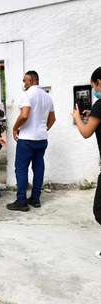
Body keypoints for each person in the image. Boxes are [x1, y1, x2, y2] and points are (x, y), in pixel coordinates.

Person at [7, 71, 56, 212]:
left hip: (27, 139)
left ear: (33, 80)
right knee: (38, 168)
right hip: (41, 140)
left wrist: (15, 128)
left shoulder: (27, 94)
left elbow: (24, 114)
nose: (24, 84)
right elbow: (52, 119)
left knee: (21, 169)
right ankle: (35, 199)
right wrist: (42, 129)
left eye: (25, 81)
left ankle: (21, 201)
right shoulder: (48, 97)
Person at [73, 67, 101, 259]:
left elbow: (86, 132)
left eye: (94, 87)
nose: (94, 91)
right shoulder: (97, 109)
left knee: (99, 210)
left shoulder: (100, 105)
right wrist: (92, 113)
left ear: (98, 82)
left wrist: (77, 118)